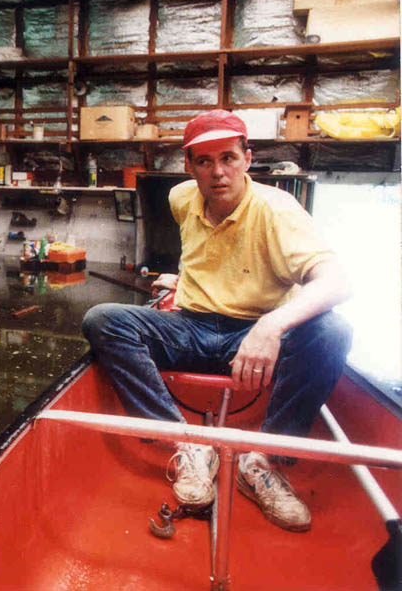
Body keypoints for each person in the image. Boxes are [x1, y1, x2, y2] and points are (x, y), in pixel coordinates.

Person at [81, 109, 352, 533]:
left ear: (248, 157)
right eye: (204, 162)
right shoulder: (181, 198)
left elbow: (337, 283)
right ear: (190, 167)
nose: (217, 173)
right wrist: (184, 277)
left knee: (333, 331)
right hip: (191, 325)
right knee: (104, 320)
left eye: (227, 157)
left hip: (252, 336)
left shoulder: (278, 211)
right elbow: (209, 251)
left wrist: (270, 327)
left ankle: (262, 459)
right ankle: (188, 445)